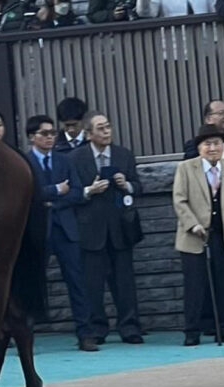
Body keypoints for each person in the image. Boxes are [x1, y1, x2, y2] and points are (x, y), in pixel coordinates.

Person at [70, 111, 144, 345]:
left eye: (108, 127)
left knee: (125, 282)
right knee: (92, 283)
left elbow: (139, 185)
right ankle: (97, 328)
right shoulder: (75, 158)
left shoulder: (124, 155)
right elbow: (71, 193)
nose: (106, 132)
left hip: (120, 227)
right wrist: (89, 191)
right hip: (91, 228)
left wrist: (127, 185)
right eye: (100, 128)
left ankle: (130, 326)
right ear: (89, 134)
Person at [26, 115, 97, 351]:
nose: (49, 138)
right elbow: (28, 195)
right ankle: (24, 334)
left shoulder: (64, 161)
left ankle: (85, 333)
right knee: (31, 282)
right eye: (44, 134)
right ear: (31, 137)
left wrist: (51, 201)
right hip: (38, 231)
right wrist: (56, 190)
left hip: (65, 229)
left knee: (77, 282)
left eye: (52, 133)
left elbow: (77, 192)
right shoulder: (25, 162)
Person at [173, 124, 224, 345]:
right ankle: (192, 331)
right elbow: (179, 200)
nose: (212, 148)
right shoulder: (186, 168)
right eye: (208, 144)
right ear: (199, 148)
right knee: (195, 286)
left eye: (217, 143)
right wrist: (193, 224)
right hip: (194, 237)